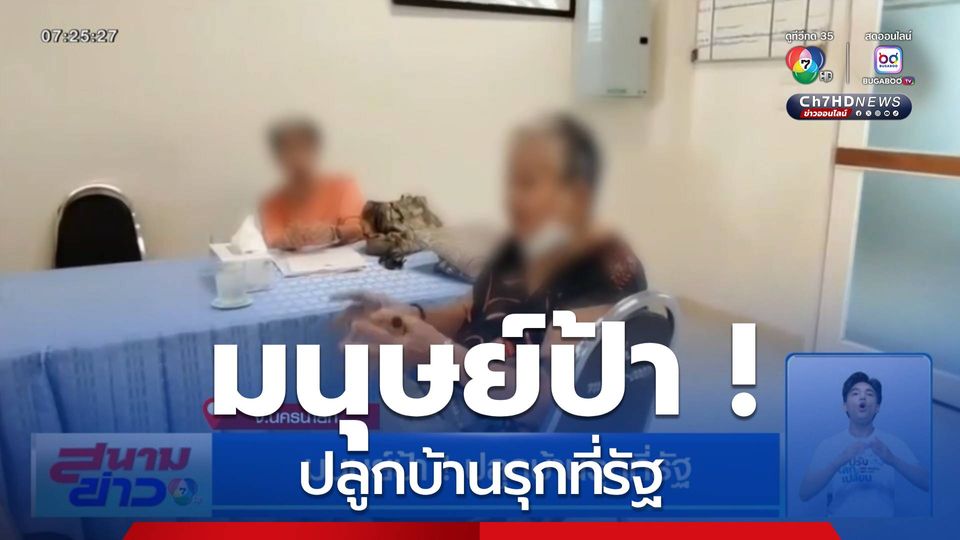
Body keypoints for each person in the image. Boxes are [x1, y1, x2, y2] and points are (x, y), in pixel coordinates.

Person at [338, 114, 647, 428]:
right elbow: (469, 310)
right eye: (514, 182)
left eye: (530, 184)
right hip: (461, 398)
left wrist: (441, 355)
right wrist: (407, 317)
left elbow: (551, 405)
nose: (514, 197)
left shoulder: (601, 269)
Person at [799, 371, 929, 516]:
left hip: (882, 526)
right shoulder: (828, 445)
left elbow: (927, 482)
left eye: (869, 394)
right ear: (845, 406)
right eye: (855, 393)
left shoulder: (892, 442)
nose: (862, 397)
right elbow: (804, 493)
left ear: (877, 407)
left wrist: (892, 459)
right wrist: (840, 460)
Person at [259, 117, 365, 250]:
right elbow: (272, 239)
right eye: (288, 150)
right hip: (294, 262)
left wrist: (334, 233)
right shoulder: (272, 202)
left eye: (303, 148)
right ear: (278, 157)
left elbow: (361, 229)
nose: (297, 157)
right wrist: (287, 240)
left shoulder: (344, 186)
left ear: (316, 150)